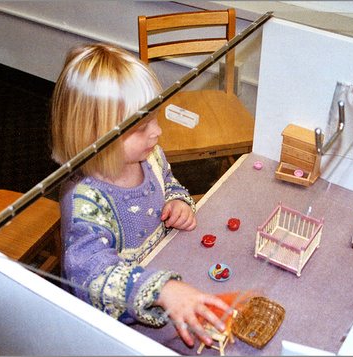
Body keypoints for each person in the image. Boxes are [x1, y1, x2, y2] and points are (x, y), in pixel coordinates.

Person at [51, 43, 231, 347]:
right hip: (124, 315)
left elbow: (169, 183)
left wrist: (178, 201)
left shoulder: (151, 156)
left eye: (155, 118)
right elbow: (92, 275)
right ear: (95, 136)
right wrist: (162, 290)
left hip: (164, 273)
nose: (157, 132)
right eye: (141, 128)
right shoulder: (84, 200)